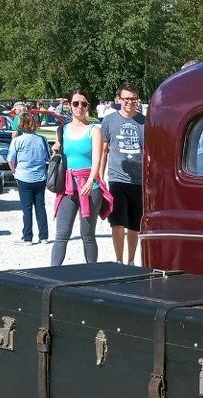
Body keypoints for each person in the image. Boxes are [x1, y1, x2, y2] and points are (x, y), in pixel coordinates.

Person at [50, 89, 105, 265]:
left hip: (90, 186)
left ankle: (92, 273)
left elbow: (97, 158)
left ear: (88, 106)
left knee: (87, 235)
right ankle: (53, 273)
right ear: (69, 106)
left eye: (83, 103)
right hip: (67, 185)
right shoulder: (62, 130)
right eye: (75, 103)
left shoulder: (94, 130)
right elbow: (58, 153)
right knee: (61, 234)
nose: (79, 107)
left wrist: (91, 179)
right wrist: (55, 150)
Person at [100, 83, 145, 264]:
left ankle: (131, 260)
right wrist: (99, 177)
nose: (129, 102)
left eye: (133, 99)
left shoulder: (144, 122)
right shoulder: (109, 120)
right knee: (117, 221)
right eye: (126, 98)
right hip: (116, 178)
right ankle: (119, 259)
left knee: (135, 223)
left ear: (137, 99)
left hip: (138, 180)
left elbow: (148, 153)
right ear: (119, 99)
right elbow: (104, 150)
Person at [8, 111, 50, 244]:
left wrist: (14, 172)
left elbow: (11, 160)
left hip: (23, 176)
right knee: (40, 207)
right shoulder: (42, 139)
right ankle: (43, 236)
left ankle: (27, 237)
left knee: (26, 208)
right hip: (40, 176)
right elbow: (48, 157)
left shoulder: (17, 141)